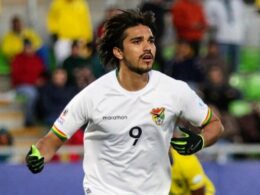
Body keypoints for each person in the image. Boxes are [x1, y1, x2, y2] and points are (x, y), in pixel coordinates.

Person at [25, 9, 224, 195]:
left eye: (151, 41)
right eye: (137, 41)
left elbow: (214, 125)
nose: (147, 47)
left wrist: (201, 140)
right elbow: (51, 141)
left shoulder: (175, 90)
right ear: (118, 52)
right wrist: (37, 155)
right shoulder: (92, 95)